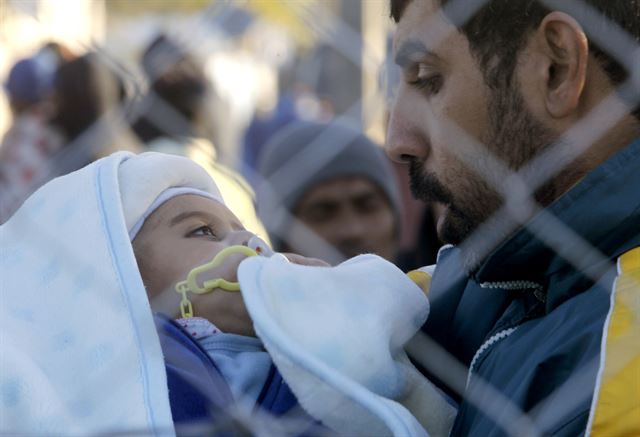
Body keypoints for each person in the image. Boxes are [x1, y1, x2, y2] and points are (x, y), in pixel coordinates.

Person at [0, 151, 455, 436]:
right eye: (202, 231)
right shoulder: (150, 360)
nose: (246, 245)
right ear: (121, 276)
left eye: (246, 232)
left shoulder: (306, 328)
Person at [386, 0, 640, 435]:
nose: (397, 141)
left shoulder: (615, 394)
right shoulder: (517, 273)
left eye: (428, 79)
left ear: (556, 69)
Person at [257, 121, 403, 265]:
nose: (353, 231)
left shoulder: (422, 286)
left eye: (368, 207)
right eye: (322, 214)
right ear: (280, 233)